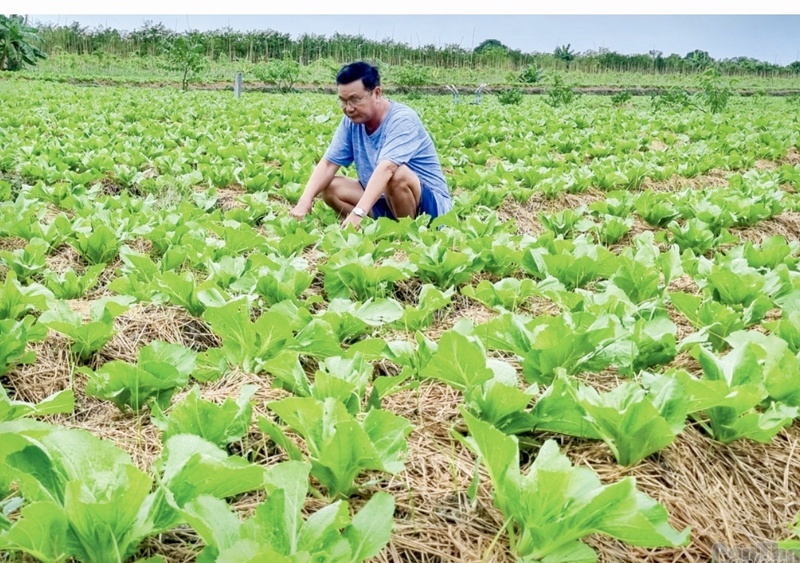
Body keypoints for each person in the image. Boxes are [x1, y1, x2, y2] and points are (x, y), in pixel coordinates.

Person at [289, 61, 453, 230]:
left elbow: (387, 168)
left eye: (355, 99)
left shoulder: (402, 119)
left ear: (376, 93)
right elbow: (329, 163)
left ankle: (407, 233)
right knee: (330, 187)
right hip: (385, 200)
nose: (348, 108)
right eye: (343, 101)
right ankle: (379, 227)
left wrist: (358, 211)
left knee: (397, 174)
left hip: (429, 209)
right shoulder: (351, 121)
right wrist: (304, 201)